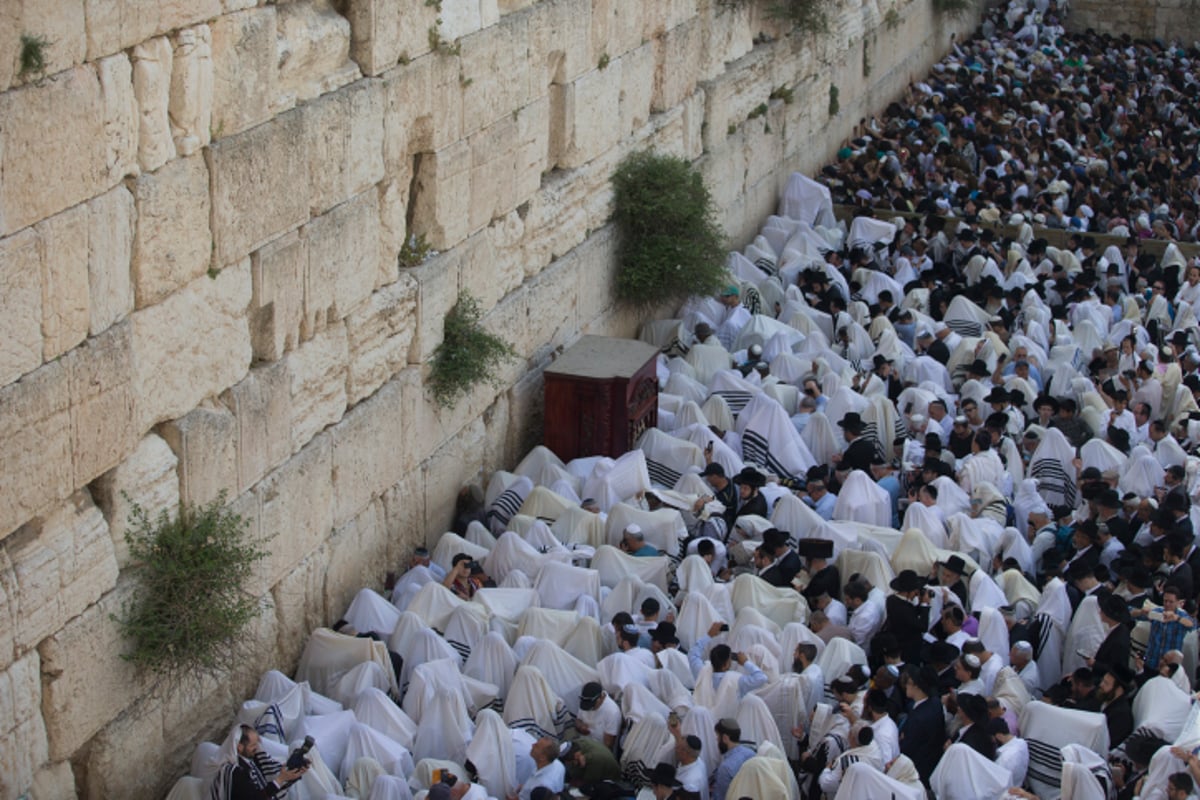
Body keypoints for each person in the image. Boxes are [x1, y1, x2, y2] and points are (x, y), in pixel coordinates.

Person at [214, 725, 308, 800]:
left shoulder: (252, 760)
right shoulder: (235, 772)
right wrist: (280, 779)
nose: (257, 747)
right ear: (240, 747)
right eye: (253, 745)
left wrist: (292, 774)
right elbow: (256, 797)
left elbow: (268, 784)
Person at [1135, 585, 1195, 673]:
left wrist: (1176, 618)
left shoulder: (1182, 616)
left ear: (1177, 602)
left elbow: (1192, 625)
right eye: (1165, 601)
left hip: (1168, 668)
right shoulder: (1158, 612)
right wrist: (1141, 612)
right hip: (1151, 662)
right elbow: (1132, 614)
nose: (1167, 604)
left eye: (1171, 602)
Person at [711, 719, 754, 800]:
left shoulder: (725, 768)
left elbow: (720, 797)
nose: (717, 740)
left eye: (718, 737)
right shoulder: (751, 753)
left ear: (725, 738)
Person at [576, 682, 621, 750]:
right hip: (583, 743)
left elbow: (608, 744)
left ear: (601, 697)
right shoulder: (585, 701)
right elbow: (578, 720)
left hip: (599, 750)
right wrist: (580, 727)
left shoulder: (612, 711)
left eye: (592, 706)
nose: (590, 709)